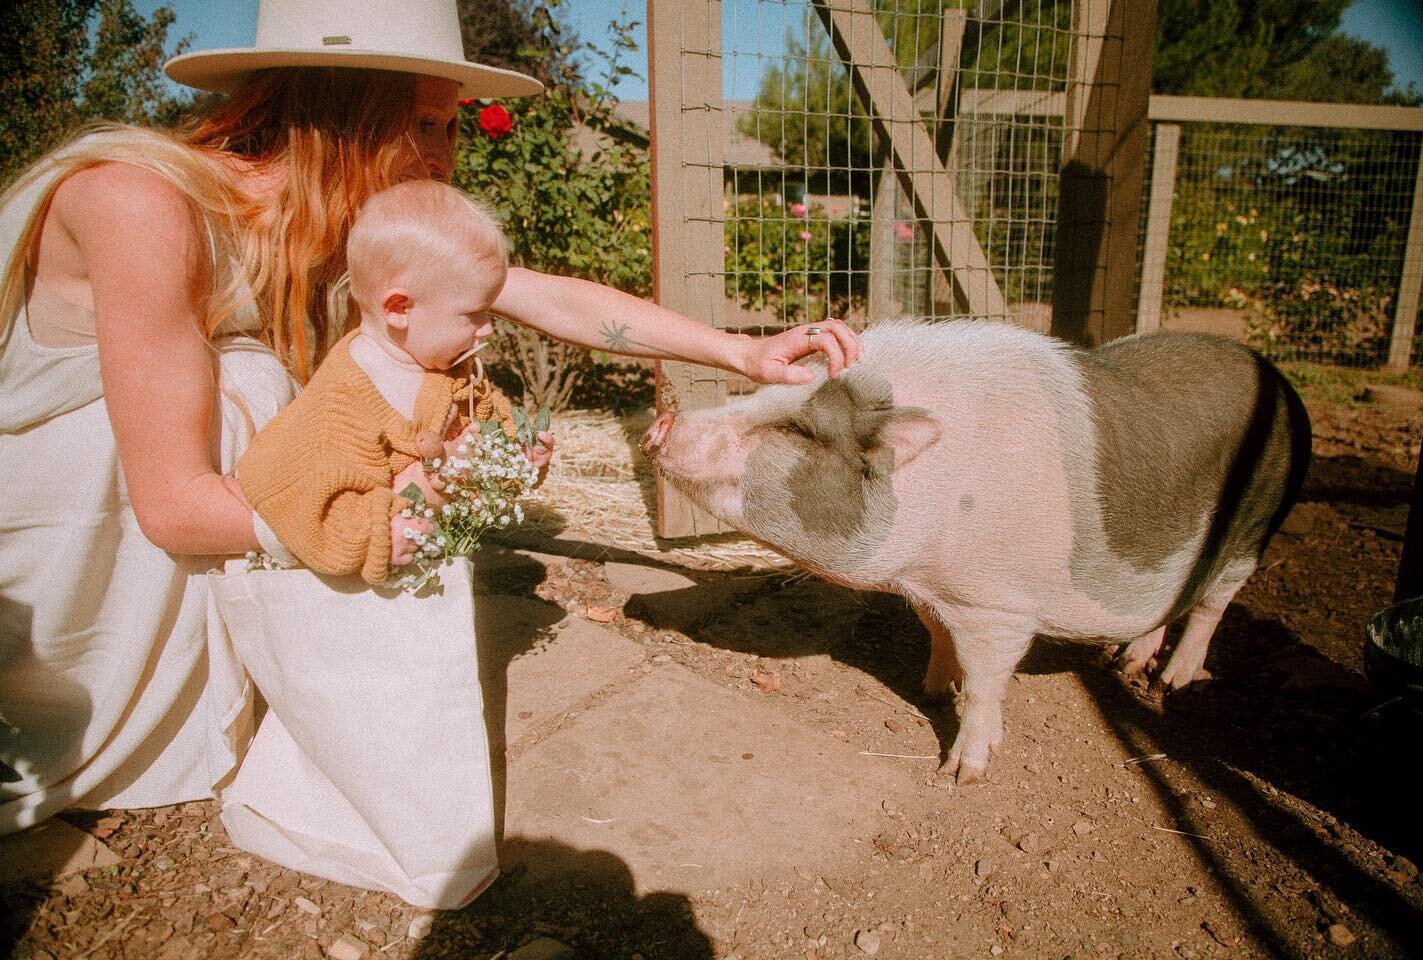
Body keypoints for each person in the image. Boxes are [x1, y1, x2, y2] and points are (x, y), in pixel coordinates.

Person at [0, 0, 860, 837]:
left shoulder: (350, 222)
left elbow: (542, 297)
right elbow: (174, 505)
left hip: (190, 512)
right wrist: (378, 525)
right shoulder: (139, 203)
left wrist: (741, 354)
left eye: (452, 127)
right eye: (423, 123)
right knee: (262, 383)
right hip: (63, 532)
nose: (447, 157)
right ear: (341, 110)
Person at [234, 179, 550, 585]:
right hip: (361, 595)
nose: (488, 329)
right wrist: (378, 532)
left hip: (433, 571)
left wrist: (518, 456)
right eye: (474, 314)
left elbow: (491, 429)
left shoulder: (450, 370)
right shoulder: (342, 403)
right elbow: (307, 500)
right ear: (399, 308)